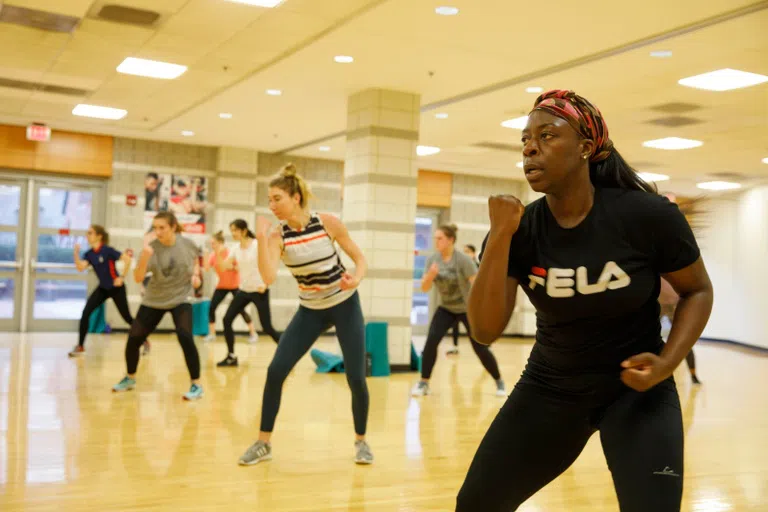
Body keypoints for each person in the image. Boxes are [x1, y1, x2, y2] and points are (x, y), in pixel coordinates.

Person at [456, 90, 713, 512]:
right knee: (476, 505)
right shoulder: (521, 229)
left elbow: (697, 290)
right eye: (525, 139)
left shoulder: (646, 216)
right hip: (550, 388)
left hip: (637, 391)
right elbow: (484, 331)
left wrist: (667, 363)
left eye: (547, 135)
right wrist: (500, 234)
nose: (530, 148)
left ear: (585, 147)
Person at [237, 163, 373, 466]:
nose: (271, 206)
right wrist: (261, 240)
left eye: (277, 199)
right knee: (276, 371)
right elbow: (268, 277)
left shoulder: (327, 223)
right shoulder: (277, 236)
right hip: (310, 310)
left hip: (345, 305)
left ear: (295, 197)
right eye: (269, 200)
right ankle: (263, 443)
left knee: (355, 377)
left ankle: (361, 442)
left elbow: (360, 259)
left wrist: (357, 278)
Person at [112, 211, 205, 401]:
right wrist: (145, 256)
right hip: (155, 298)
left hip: (181, 297)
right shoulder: (151, 248)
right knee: (134, 338)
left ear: (173, 227)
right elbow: (138, 278)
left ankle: (196, 384)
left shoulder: (187, 245)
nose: (158, 231)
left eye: (162, 227)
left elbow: (196, 262)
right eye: (155, 228)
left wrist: (196, 276)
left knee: (185, 336)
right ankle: (130, 378)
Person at [411, 224, 505, 397]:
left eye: (440, 238)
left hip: (467, 309)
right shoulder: (432, 260)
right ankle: (424, 383)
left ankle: (499, 382)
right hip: (446, 308)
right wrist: (430, 276)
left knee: (480, 348)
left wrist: (482, 309)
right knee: (431, 342)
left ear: (450, 240)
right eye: (435, 238)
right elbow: (424, 288)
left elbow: (477, 285)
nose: (436, 241)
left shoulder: (463, 260)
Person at [69, 225, 149, 357]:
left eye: (90, 233)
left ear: (99, 236)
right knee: (86, 313)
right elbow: (80, 267)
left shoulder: (107, 251)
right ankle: (80, 346)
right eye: (87, 233)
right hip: (103, 288)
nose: (87, 235)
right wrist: (76, 254)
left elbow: (127, 259)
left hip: (116, 288)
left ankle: (144, 340)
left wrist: (121, 277)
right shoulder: (89, 254)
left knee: (127, 318)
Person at [216, 219, 282, 367]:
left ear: (244, 231)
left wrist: (265, 284)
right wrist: (218, 253)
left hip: (260, 290)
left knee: (267, 327)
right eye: (231, 230)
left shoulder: (257, 245)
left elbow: (271, 263)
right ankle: (231, 356)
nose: (232, 233)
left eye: (235, 230)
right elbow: (224, 267)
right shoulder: (235, 248)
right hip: (244, 290)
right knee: (227, 320)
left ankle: (287, 352)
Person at [202, 230, 257, 344]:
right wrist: (205, 256)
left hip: (235, 286)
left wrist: (229, 266)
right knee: (211, 307)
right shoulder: (213, 255)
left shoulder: (230, 252)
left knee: (240, 310)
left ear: (220, 243)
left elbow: (239, 268)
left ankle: (253, 333)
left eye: (214, 243)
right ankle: (212, 334)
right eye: (211, 244)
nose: (212, 246)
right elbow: (207, 268)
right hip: (222, 286)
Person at [659, 276, 701, 384]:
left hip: (675, 305)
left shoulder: (676, 269)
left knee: (685, 343)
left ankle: (693, 375)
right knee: (648, 339)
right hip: (658, 304)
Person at [447, 244, 481, 355]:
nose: (465, 253)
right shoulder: (460, 266)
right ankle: (455, 346)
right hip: (461, 301)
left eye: (468, 251)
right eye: (464, 251)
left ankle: (484, 347)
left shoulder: (479, 266)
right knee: (455, 323)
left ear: (473, 253)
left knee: (476, 325)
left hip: (474, 302)